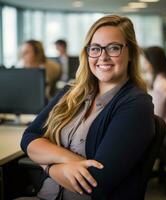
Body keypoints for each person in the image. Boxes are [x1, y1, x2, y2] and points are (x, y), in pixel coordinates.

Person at [19, 15, 155, 200]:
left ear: (130, 53)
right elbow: (29, 137)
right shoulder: (71, 91)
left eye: (114, 48)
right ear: (87, 53)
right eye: (95, 48)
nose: (103, 57)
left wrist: (47, 164)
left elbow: (97, 182)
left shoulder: (136, 104)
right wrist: (68, 161)